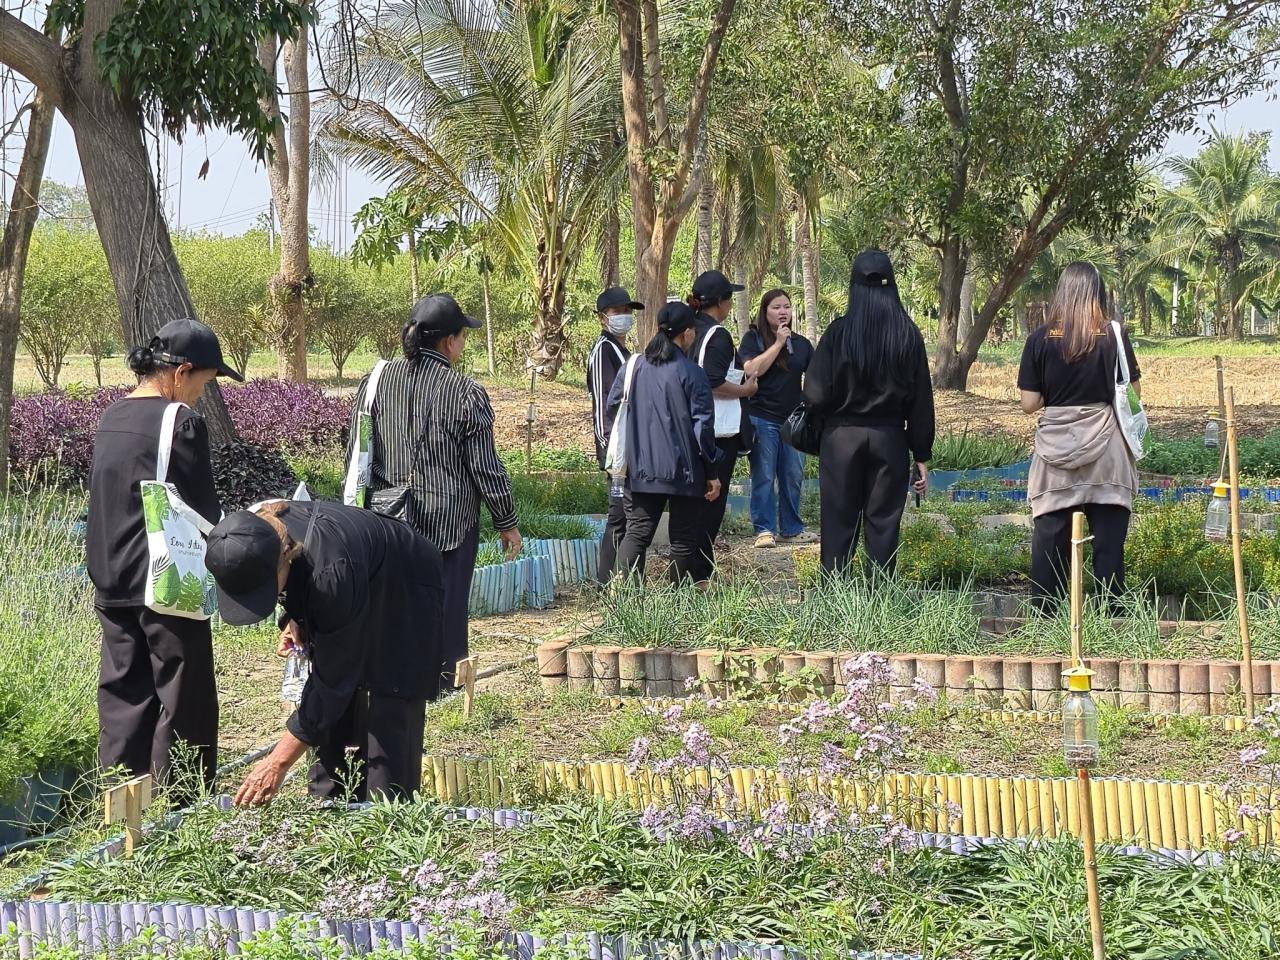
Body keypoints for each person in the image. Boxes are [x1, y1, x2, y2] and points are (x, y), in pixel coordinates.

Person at [87, 318, 242, 794]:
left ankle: (121, 806)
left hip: (111, 575)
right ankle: (182, 806)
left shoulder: (111, 415)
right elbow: (202, 511)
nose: (201, 395)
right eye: (204, 383)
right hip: (164, 579)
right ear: (181, 372)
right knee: (183, 693)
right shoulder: (180, 422)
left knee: (123, 692)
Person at [205, 501, 445, 805]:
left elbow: (333, 679)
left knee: (390, 699)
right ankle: (327, 805)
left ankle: (386, 816)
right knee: (328, 696)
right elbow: (295, 583)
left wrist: (276, 763)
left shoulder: (331, 574)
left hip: (405, 579)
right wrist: (295, 616)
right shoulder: (249, 533)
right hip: (353, 572)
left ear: (284, 558)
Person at [346, 293, 521, 676]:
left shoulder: (375, 381)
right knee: (445, 602)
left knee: (393, 602)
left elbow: (357, 450)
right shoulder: (464, 391)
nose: (463, 343)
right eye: (463, 336)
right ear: (448, 341)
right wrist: (506, 520)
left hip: (386, 516)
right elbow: (484, 466)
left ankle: (392, 676)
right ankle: (443, 676)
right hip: (448, 524)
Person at [1018, 261, 1140, 609]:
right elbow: (1133, 394)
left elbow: (1029, 403)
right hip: (1107, 454)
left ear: (1062, 293)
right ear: (1097, 293)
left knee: (1048, 545)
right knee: (1109, 547)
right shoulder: (1113, 335)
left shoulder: (1039, 339)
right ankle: (1110, 620)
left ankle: (1046, 622)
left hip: (1055, 455)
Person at [803, 249, 934, 574]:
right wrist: (921, 453)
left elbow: (814, 394)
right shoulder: (908, 334)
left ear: (853, 286)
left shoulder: (838, 333)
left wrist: (827, 420)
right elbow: (921, 400)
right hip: (889, 439)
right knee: (884, 527)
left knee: (838, 525)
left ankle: (834, 601)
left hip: (841, 439)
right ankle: (882, 601)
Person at [608, 302, 722, 583]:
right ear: (686, 334)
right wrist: (712, 473)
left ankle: (625, 598)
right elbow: (703, 428)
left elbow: (613, 407)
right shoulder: (692, 373)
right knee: (683, 540)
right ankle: (677, 603)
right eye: (692, 331)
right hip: (684, 471)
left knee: (637, 533)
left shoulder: (633, 367)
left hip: (642, 468)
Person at [686, 270, 757, 582]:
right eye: (729, 299)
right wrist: (745, 391)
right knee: (711, 504)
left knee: (693, 505)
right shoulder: (718, 335)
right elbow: (712, 382)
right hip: (715, 432)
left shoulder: (689, 329)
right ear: (723, 302)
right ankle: (699, 572)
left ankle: (692, 567)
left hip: (687, 426)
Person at [740, 289, 816, 549]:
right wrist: (778, 344)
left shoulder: (803, 344)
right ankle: (764, 529)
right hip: (762, 418)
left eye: (787, 307)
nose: (783, 312)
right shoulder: (754, 339)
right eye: (776, 307)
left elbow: (817, 377)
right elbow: (751, 370)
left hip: (794, 421)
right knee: (764, 474)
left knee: (793, 475)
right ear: (765, 311)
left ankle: (791, 528)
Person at [588, 285, 644, 581]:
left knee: (625, 515)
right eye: (617, 312)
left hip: (627, 450)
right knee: (619, 514)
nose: (624, 316)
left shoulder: (623, 351)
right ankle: (607, 580)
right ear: (602, 318)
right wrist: (611, 454)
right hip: (616, 454)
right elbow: (603, 406)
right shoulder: (603, 352)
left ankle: (620, 580)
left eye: (627, 312)